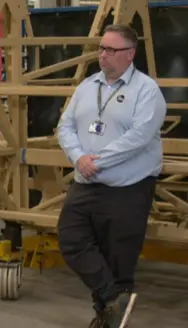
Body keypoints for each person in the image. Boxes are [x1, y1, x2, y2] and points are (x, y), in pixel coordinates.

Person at [56, 24, 167, 328]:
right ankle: (111, 299)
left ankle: (107, 318)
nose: (102, 55)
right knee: (70, 238)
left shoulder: (147, 91)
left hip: (127, 189)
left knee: (118, 258)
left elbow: (139, 136)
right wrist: (79, 157)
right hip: (86, 183)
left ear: (130, 54)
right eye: (101, 48)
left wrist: (98, 161)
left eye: (110, 50)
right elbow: (64, 126)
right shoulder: (87, 86)